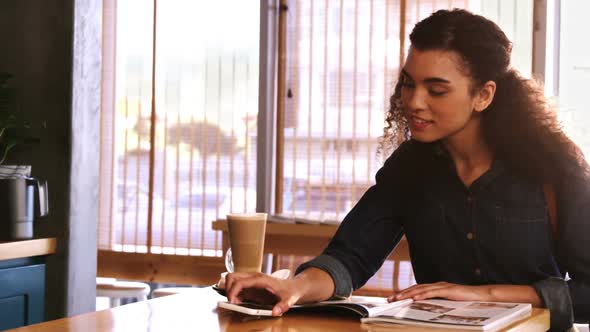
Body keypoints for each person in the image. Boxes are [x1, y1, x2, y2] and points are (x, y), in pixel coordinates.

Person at [225, 9, 589, 331]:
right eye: (409, 83)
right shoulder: (409, 168)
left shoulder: (553, 166)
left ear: (484, 95)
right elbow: (349, 256)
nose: (414, 102)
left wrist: (489, 294)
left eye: (437, 90)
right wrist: (293, 288)